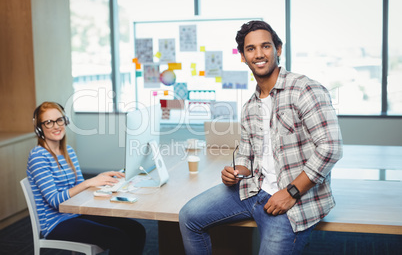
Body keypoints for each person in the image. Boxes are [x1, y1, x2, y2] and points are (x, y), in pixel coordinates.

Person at [179, 20, 343, 255]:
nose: (259, 54)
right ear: (243, 57)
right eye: (250, 49)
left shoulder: (305, 90)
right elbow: (246, 153)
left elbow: (331, 148)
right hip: (254, 189)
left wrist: (290, 193)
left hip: (294, 200)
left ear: (278, 50)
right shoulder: (249, 107)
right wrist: (237, 171)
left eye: (265, 46)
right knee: (188, 217)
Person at [27, 101, 146, 254]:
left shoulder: (68, 151)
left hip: (76, 214)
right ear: (40, 128)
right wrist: (89, 182)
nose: (56, 126)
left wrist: (100, 179)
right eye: (49, 122)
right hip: (56, 223)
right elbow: (55, 201)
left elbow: (80, 189)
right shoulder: (38, 156)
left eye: (59, 120)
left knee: (136, 229)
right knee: (118, 238)